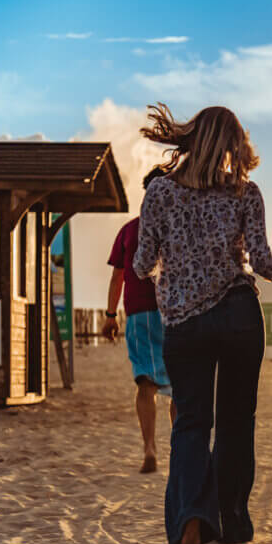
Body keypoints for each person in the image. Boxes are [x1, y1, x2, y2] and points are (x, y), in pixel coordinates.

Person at [133, 103, 272, 544]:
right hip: (239, 315)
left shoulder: (160, 192)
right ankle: (234, 520)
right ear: (233, 147)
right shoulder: (246, 193)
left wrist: (169, 266)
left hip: (185, 323)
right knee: (238, 421)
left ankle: (191, 523)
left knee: (192, 422)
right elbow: (259, 261)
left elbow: (142, 262)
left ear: (191, 139)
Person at [103, 168, 176, 474]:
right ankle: (181, 448)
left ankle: (149, 448)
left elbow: (118, 276)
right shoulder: (177, 227)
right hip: (174, 313)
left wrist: (110, 316)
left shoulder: (130, 230)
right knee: (181, 386)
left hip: (139, 314)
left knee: (145, 382)